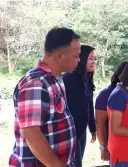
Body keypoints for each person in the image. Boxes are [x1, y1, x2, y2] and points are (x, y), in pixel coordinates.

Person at [9, 27, 80, 166]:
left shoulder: (55, 79)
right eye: (76, 56)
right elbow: (31, 133)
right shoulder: (36, 83)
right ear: (59, 56)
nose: (78, 60)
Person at [63, 44, 97, 167]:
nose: (94, 61)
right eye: (91, 58)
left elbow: (89, 106)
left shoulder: (87, 79)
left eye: (95, 59)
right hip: (69, 132)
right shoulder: (68, 78)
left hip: (81, 132)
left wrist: (93, 128)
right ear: (81, 59)